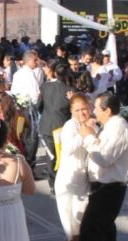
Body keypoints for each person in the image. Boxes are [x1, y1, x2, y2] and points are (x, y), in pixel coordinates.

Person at [71, 93, 128, 241]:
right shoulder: (111, 126)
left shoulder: (118, 127)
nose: (93, 112)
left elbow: (105, 158)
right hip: (104, 186)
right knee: (106, 231)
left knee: (90, 233)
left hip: (110, 187)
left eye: (97, 108)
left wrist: (88, 136)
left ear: (108, 110)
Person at [55, 93, 91, 241]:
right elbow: (68, 148)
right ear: (71, 111)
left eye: (84, 108)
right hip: (69, 182)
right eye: (77, 110)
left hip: (84, 180)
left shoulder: (93, 124)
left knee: (80, 227)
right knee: (71, 227)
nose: (81, 113)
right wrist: (85, 135)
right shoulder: (70, 127)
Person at [38, 60, 73, 192]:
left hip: (47, 124)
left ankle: (53, 184)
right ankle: (63, 181)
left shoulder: (44, 87)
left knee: (51, 156)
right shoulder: (69, 90)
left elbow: (38, 106)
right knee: (63, 156)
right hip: (62, 125)